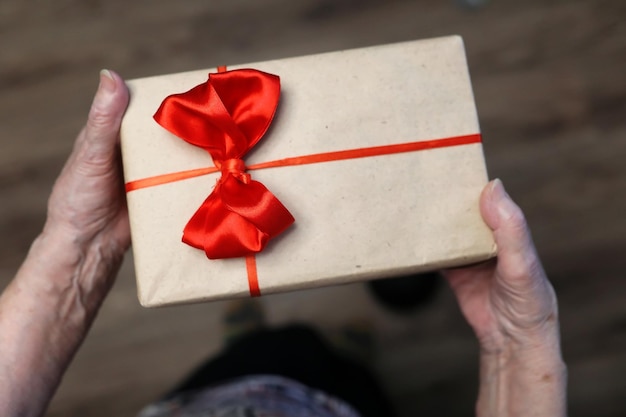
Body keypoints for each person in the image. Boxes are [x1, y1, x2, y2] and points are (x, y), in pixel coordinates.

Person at [0, 70, 567, 417]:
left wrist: (76, 249)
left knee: (248, 362)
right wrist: (515, 349)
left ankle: (249, 345)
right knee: (344, 376)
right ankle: (347, 356)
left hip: (203, 401)